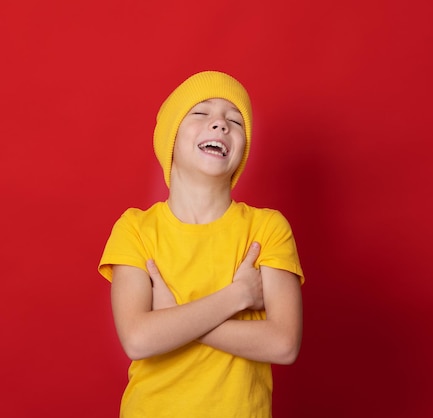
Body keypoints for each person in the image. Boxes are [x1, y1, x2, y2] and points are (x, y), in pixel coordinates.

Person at [98, 70, 304, 418]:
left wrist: (172, 319)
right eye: (201, 112)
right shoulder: (134, 229)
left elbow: (283, 344)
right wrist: (236, 296)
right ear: (170, 137)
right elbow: (138, 339)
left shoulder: (267, 228)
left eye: (235, 121)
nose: (220, 125)